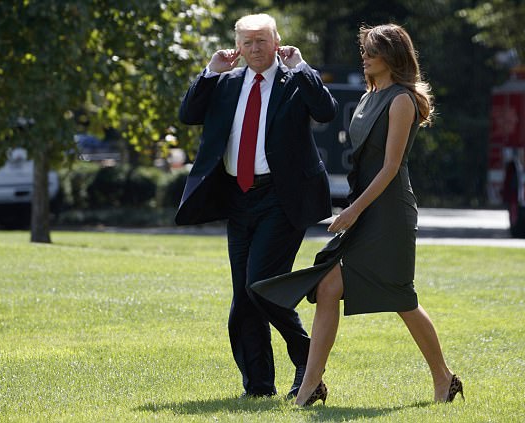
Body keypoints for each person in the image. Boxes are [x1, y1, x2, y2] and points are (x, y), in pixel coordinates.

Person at [251, 23, 464, 406]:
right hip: (365, 208)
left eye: (372, 51)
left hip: (389, 213)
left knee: (401, 298)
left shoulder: (401, 100)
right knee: (328, 287)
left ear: (392, 56)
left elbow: (390, 168)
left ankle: (444, 378)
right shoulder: (369, 96)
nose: (364, 57)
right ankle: (310, 386)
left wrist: (352, 210)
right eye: (363, 50)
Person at [175, 13, 338, 397]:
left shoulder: (294, 80)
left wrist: (303, 68)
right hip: (238, 198)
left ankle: (307, 360)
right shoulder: (225, 82)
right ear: (237, 46)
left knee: (260, 287)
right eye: (247, 42)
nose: (254, 48)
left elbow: (326, 111)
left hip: (282, 198)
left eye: (261, 41)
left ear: (276, 42)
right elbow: (187, 115)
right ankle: (259, 387)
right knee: (245, 297)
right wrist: (209, 72)